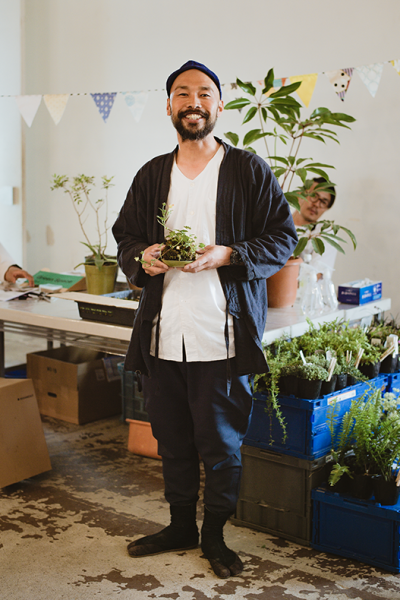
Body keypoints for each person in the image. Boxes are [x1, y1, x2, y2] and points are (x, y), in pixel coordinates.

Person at [112, 60, 298, 579]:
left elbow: (283, 237)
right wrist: (140, 258)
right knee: (171, 439)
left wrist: (229, 254)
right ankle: (178, 526)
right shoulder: (152, 172)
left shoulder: (248, 169)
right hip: (163, 333)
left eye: (204, 93)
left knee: (220, 444)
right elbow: (125, 234)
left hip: (223, 332)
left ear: (219, 105)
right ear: (169, 105)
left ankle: (213, 535)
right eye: (182, 92)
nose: (193, 101)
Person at [292, 177, 337, 270]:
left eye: (323, 202)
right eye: (314, 196)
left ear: (326, 208)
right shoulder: (276, 224)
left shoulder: (324, 234)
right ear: (300, 194)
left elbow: (316, 275)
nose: (316, 204)